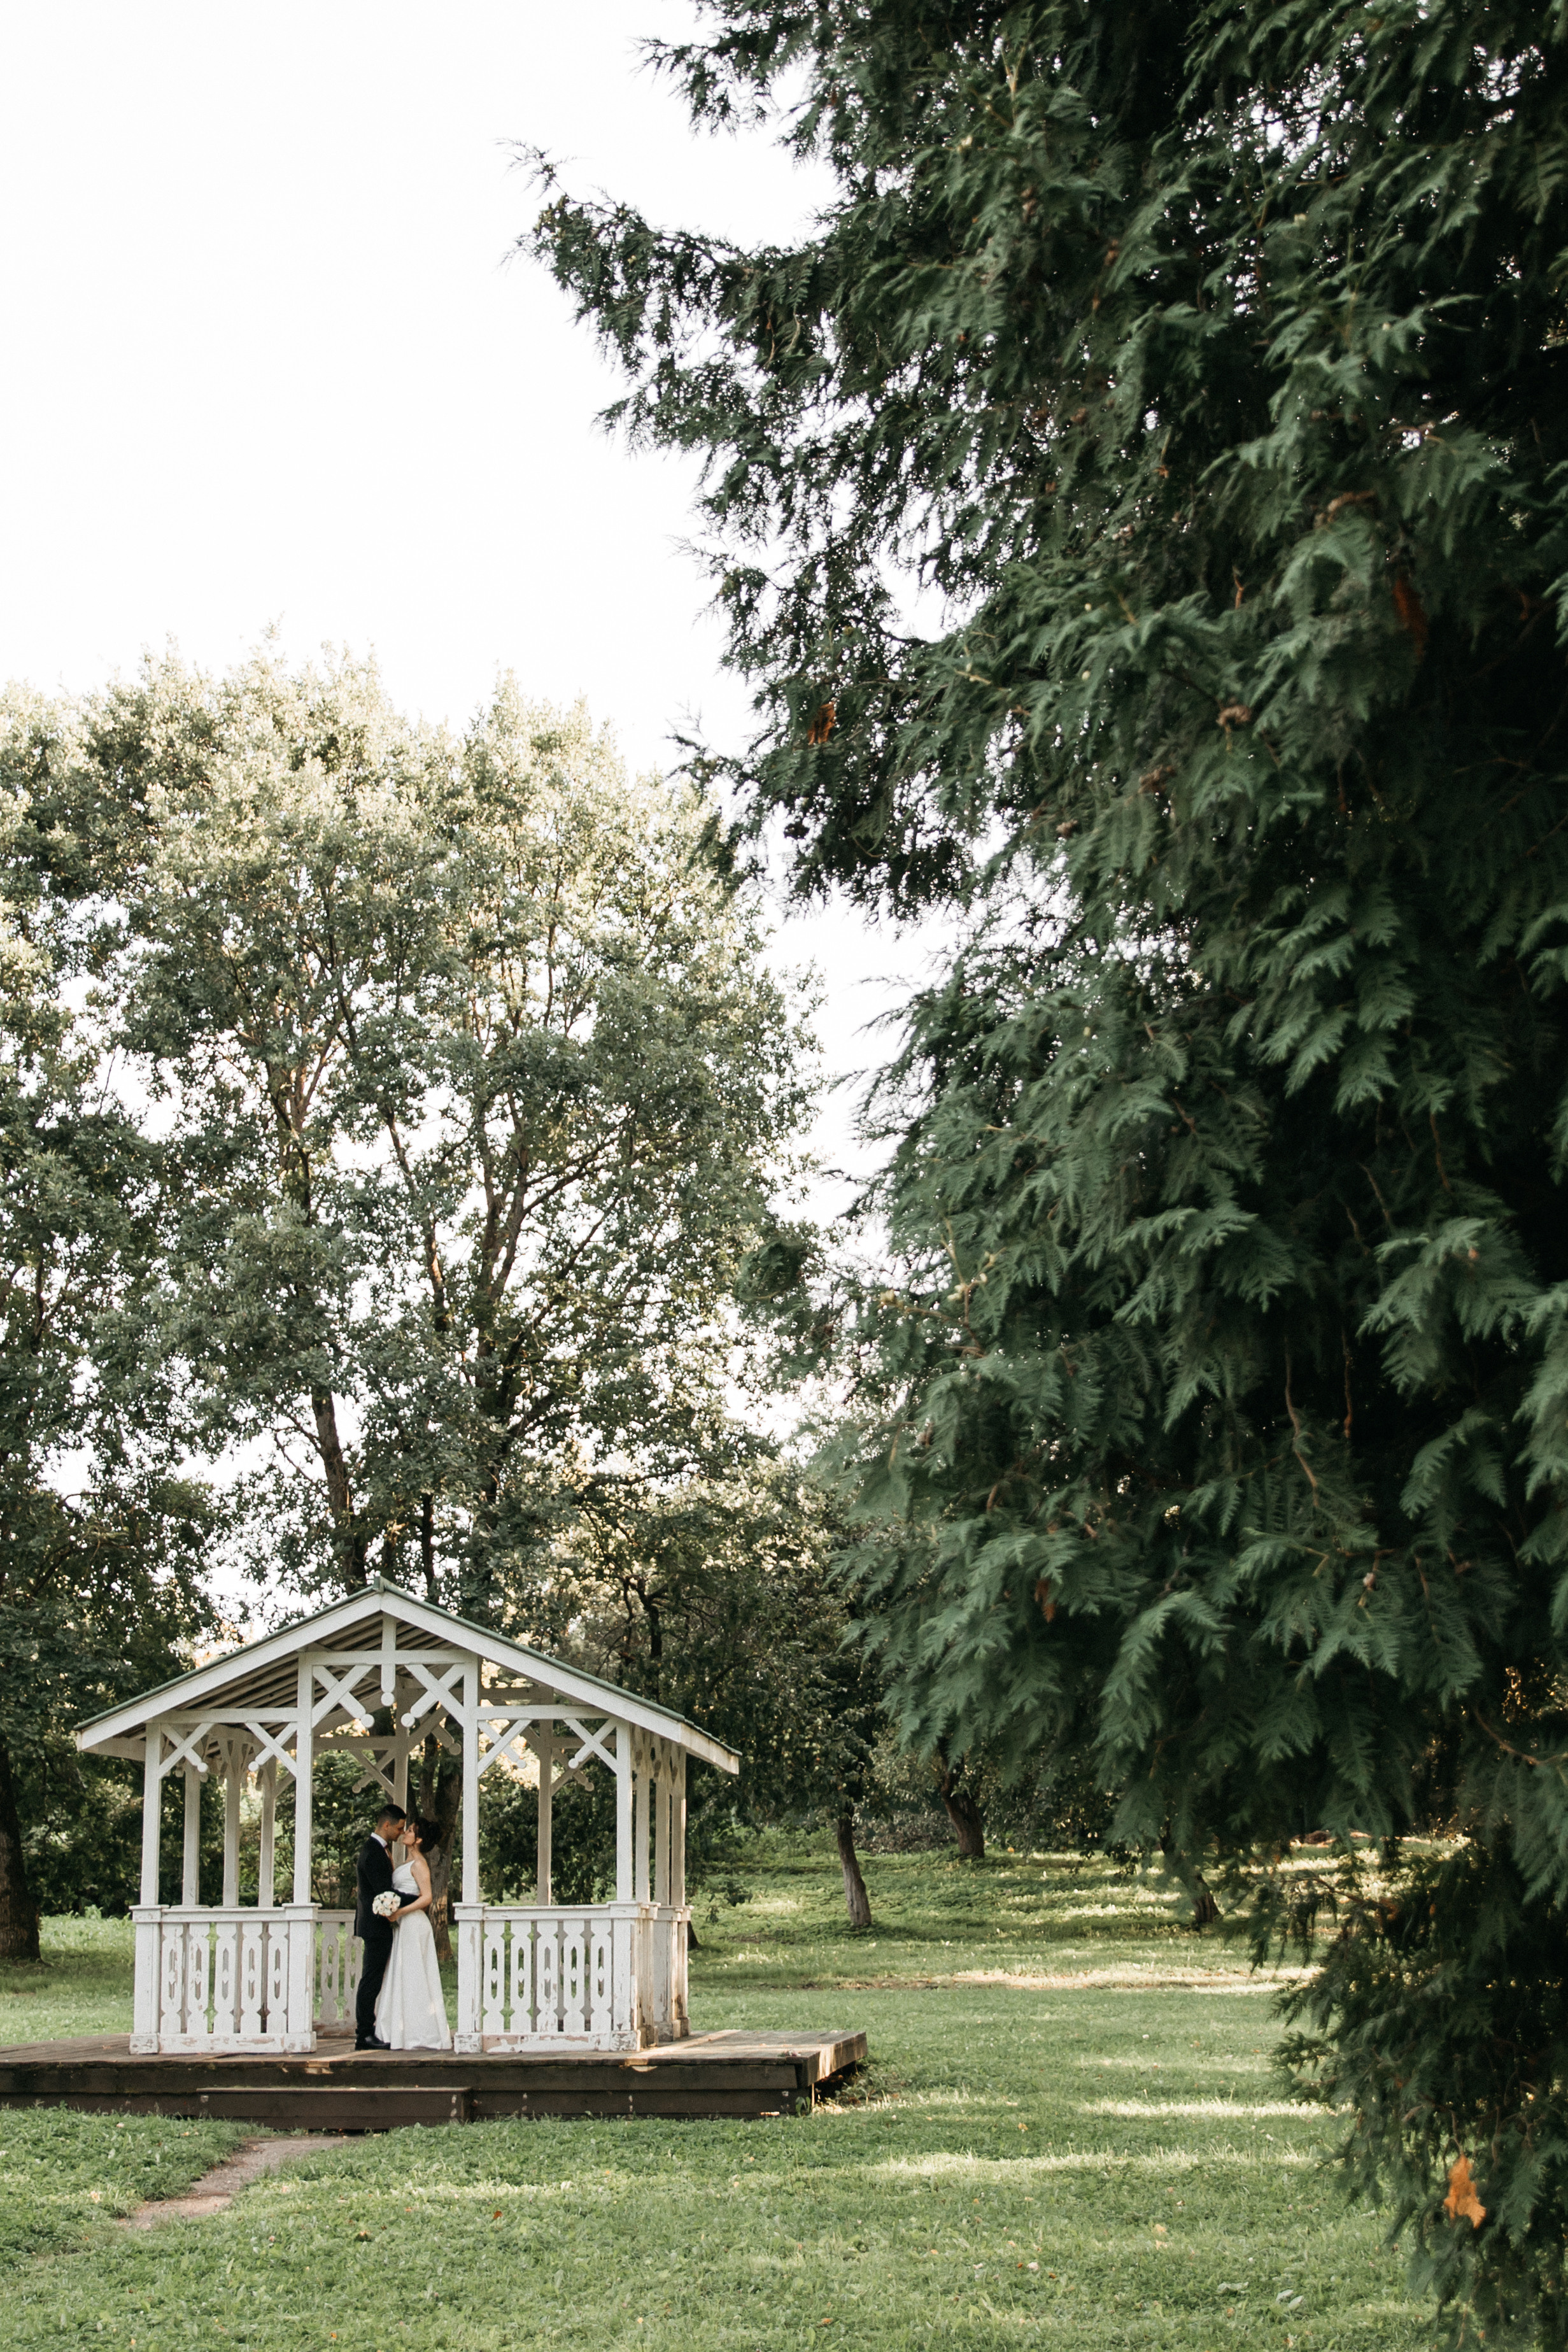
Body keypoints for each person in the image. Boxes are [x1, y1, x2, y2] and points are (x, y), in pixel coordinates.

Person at [374, 1813, 452, 2051]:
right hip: (404, 1924)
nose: (405, 1833)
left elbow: (427, 1897)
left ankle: (419, 2033)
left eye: (410, 1831)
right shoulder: (406, 1862)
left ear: (418, 1840)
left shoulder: (419, 1864)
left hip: (414, 1923)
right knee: (403, 1973)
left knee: (414, 1974)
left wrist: (400, 1912)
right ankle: (400, 2030)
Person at [353, 1803, 408, 2051]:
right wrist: (417, 1899)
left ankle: (370, 2030)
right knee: (371, 1980)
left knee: (374, 1978)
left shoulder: (378, 1849)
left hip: (378, 1926)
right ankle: (364, 2034)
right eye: (399, 1828)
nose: (401, 1833)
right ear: (387, 1825)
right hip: (376, 1927)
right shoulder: (374, 1852)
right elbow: (385, 1893)